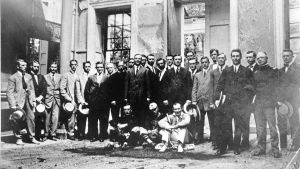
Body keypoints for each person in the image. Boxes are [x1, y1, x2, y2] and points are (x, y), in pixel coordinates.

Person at [215, 49, 254, 155]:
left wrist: (246, 100)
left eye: (237, 56)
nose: (235, 58)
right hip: (228, 102)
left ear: (241, 57)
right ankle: (223, 147)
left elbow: (252, 87)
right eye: (233, 56)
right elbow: (219, 85)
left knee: (238, 126)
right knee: (225, 125)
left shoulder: (247, 71)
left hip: (241, 104)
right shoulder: (227, 71)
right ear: (231, 58)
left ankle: (237, 147)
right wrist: (217, 98)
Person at [251, 52, 281, 158]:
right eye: (258, 58)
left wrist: (277, 101)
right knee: (260, 128)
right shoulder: (255, 72)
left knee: (272, 127)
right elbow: (253, 88)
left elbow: (277, 87)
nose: (259, 60)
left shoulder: (273, 71)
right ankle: (261, 148)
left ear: (267, 58)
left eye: (262, 58)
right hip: (258, 103)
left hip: (269, 103)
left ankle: (275, 149)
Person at [7, 59, 38, 144]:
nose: (25, 67)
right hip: (18, 101)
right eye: (23, 65)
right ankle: (18, 138)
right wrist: (12, 104)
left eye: (26, 65)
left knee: (31, 118)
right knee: (18, 119)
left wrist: (34, 100)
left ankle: (32, 137)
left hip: (29, 100)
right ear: (17, 66)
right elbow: (9, 92)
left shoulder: (29, 76)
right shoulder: (13, 78)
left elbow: (32, 89)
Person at [209, 53, 232, 155]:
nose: (221, 59)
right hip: (217, 101)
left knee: (228, 124)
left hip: (228, 101)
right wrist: (212, 102)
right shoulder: (213, 72)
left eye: (223, 58)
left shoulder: (230, 70)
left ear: (226, 59)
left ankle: (230, 143)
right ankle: (219, 146)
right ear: (216, 60)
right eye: (219, 58)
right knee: (218, 124)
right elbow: (211, 88)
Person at [277, 49, 300, 150]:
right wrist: (279, 100)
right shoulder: (280, 71)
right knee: (281, 123)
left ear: (292, 57)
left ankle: (296, 144)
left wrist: (284, 98)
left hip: (292, 101)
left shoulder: (297, 70)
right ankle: (283, 145)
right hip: (281, 101)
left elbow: (294, 86)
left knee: (294, 122)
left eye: (287, 56)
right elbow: (277, 87)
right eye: (284, 56)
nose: (285, 58)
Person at [85, 61, 110, 142]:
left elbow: (110, 90)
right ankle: (94, 136)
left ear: (103, 68)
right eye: (98, 67)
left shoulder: (107, 77)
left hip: (104, 103)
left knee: (103, 120)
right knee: (93, 120)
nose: (100, 69)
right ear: (96, 68)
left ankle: (102, 135)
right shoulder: (91, 77)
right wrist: (89, 101)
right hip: (94, 103)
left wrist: (107, 101)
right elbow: (87, 90)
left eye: (101, 67)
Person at [192, 57, 215, 144]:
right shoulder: (197, 75)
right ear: (200, 64)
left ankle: (213, 136)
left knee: (211, 119)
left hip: (209, 100)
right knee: (199, 120)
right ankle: (199, 138)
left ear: (209, 63)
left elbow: (214, 87)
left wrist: (213, 100)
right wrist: (194, 100)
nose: (204, 64)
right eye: (203, 62)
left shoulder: (212, 73)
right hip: (200, 100)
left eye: (206, 62)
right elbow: (194, 88)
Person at [60, 59, 84, 140]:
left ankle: (79, 132)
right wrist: (69, 99)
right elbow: (62, 89)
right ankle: (71, 133)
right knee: (71, 118)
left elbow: (79, 89)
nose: (73, 66)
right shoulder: (66, 75)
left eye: (75, 64)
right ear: (70, 65)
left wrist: (81, 100)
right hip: (70, 100)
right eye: (72, 64)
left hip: (78, 99)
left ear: (77, 66)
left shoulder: (78, 75)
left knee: (80, 117)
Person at [124, 54, 151, 127]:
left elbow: (147, 84)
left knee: (141, 113)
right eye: (136, 58)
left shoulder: (145, 70)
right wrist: (125, 97)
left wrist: (148, 96)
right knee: (132, 113)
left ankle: (141, 131)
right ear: (134, 59)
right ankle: (133, 131)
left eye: (139, 58)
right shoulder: (129, 71)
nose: (138, 60)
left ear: (141, 60)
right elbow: (126, 84)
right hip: (132, 96)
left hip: (141, 96)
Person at [29, 60, 46, 142]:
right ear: (31, 66)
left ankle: (38, 136)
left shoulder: (41, 77)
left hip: (39, 101)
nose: (36, 68)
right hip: (31, 101)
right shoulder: (28, 76)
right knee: (31, 118)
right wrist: (33, 98)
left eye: (37, 67)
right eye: (35, 66)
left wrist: (40, 97)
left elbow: (44, 88)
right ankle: (30, 136)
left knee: (39, 118)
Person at [43, 62, 61, 141]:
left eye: (55, 67)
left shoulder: (60, 76)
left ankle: (53, 134)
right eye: (52, 67)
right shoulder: (45, 77)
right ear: (49, 68)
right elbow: (43, 88)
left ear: (56, 68)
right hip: (48, 99)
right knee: (47, 117)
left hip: (57, 99)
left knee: (55, 117)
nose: (53, 69)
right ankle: (46, 134)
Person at [77, 61, 92, 140]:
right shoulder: (79, 77)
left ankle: (90, 134)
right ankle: (81, 134)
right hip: (82, 100)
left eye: (89, 66)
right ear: (83, 67)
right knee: (81, 119)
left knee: (91, 118)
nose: (87, 68)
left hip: (90, 101)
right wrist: (81, 101)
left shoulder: (93, 76)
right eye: (86, 66)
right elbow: (78, 90)